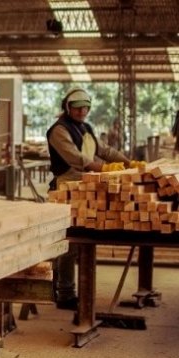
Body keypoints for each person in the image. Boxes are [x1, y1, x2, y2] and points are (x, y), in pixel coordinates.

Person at [46, 87, 131, 310]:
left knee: (82, 242)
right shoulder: (59, 130)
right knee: (69, 243)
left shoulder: (86, 128)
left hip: (86, 187)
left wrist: (130, 163)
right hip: (66, 188)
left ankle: (72, 290)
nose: (82, 111)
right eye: (77, 107)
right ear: (68, 107)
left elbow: (104, 150)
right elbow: (77, 158)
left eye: (86, 107)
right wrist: (104, 169)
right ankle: (64, 293)